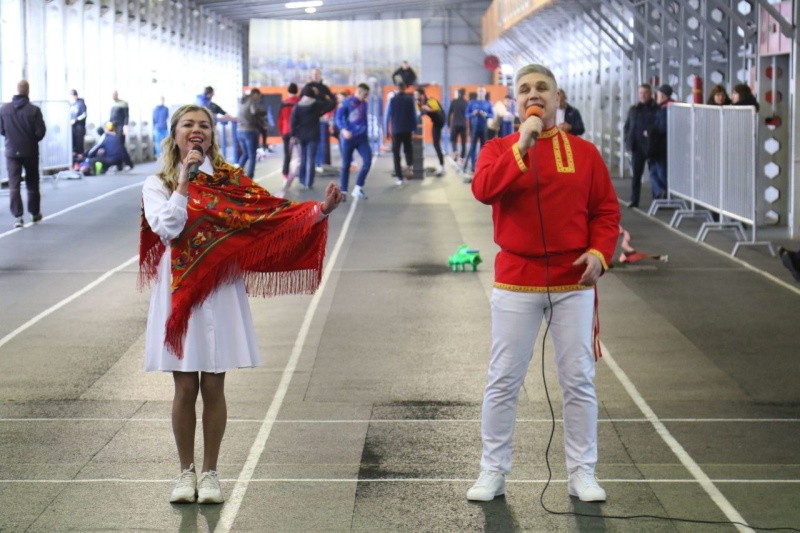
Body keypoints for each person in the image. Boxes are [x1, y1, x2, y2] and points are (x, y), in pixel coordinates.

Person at [139, 104, 342, 505]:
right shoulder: (156, 183)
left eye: (204, 125)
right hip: (178, 292)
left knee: (214, 383)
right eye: (188, 125)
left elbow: (270, 217)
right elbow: (167, 229)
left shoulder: (230, 181)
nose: (197, 131)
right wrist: (184, 182)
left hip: (220, 290)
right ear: (174, 134)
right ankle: (185, 473)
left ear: (213, 135)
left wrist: (319, 211)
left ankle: (211, 474)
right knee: (184, 386)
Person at [467, 63, 620, 504]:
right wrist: (524, 143)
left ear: (559, 98)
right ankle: (492, 470)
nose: (533, 95)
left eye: (542, 89)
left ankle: (582, 473)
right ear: (515, 103)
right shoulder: (498, 148)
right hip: (517, 282)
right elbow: (483, 190)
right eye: (524, 90)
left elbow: (606, 212)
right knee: (503, 380)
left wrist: (598, 253)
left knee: (578, 380)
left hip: (574, 283)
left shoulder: (586, 154)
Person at [0, 80, 46, 228]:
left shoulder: (4, 109)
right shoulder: (34, 111)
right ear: (28, 91)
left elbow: (1, 130)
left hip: (11, 151)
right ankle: (34, 214)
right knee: (32, 183)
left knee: (14, 184)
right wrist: (31, 139)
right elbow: (40, 132)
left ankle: (18, 217)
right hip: (30, 151)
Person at [291, 84, 335, 189]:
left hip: (301, 136)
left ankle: (302, 180)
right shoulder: (317, 104)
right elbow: (331, 104)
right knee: (311, 159)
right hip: (313, 135)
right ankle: (308, 182)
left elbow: (293, 123)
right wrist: (321, 94)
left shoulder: (297, 106)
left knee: (302, 158)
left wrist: (294, 135)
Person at [623, 83, 659, 208]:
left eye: (645, 93)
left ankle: (657, 199)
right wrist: (627, 139)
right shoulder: (634, 109)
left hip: (652, 147)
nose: (643, 96)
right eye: (640, 93)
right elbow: (627, 126)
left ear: (650, 94)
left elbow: (659, 126)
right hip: (637, 146)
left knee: (655, 174)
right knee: (636, 175)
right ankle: (634, 200)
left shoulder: (657, 109)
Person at [336, 83, 373, 199]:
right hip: (348, 138)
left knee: (367, 160)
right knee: (346, 164)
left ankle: (358, 188)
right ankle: (343, 191)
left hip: (362, 138)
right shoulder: (346, 102)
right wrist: (343, 130)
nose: (366, 97)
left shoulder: (364, 104)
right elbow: (338, 118)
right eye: (365, 94)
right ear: (359, 92)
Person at [384, 81, 418, 184]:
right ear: (405, 88)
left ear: (397, 89)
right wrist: (415, 130)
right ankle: (409, 165)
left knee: (396, 153)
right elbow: (414, 116)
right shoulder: (410, 100)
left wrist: (386, 131)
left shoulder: (392, 100)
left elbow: (387, 117)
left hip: (396, 130)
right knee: (408, 150)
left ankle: (399, 177)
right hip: (407, 129)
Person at [647, 84, 675, 200]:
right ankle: (662, 194)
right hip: (660, 147)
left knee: (659, 173)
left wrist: (650, 132)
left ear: (663, 96)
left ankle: (663, 194)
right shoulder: (668, 107)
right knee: (655, 172)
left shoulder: (664, 110)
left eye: (658, 95)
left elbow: (661, 128)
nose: (656, 97)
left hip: (661, 147)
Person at [236, 88, 267, 179]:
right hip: (249, 130)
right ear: (255, 94)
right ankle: (250, 178)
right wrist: (262, 113)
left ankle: (236, 175)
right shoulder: (252, 100)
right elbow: (254, 112)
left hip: (240, 131)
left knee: (245, 154)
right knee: (252, 155)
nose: (258, 99)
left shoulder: (242, 100)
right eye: (259, 96)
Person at [415, 86, 446, 176]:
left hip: (440, 120)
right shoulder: (419, 103)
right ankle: (441, 165)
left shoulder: (431, 100)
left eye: (416, 95)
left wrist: (429, 109)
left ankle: (442, 166)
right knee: (435, 144)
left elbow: (439, 111)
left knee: (436, 144)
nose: (415, 96)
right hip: (435, 122)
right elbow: (419, 114)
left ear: (421, 95)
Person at [463, 86, 494, 174]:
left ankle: (482, 165)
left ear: (485, 92)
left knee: (483, 148)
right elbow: (466, 114)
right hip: (474, 129)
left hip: (484, 129)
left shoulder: (488, 103)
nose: (481, 93)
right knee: (472, 147)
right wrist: (473, 113)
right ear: (477, 92)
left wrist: (486, 114)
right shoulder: (472, 103)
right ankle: (473, 166)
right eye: (479, 91)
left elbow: (492, 115)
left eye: (482, 91)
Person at [278, 83, 301, 179]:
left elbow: (279, 120)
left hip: (286, 131)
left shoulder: (284, 103)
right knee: (301, 155)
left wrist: (281, 132)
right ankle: (301, 173)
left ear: (288, 92)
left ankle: (286, 173)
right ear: (297, 91)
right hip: (299, 132)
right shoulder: (300, 102)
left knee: (287, 154)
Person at [109, 90, 135, 170]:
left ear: (117, 95)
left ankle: (129, 163)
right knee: (115, 146)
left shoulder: (123, 103)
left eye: (114, 94)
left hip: (121, 126)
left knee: (120, 145)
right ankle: (119, 165)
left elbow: (126, 116)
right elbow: (111, 118)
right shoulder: (113, 104)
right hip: (114, 127)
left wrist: (125, 126)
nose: (112, 96)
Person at [447, 88, 468, 162]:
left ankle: (455, 151)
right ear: (464, 94)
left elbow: (449, 113)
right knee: (463, 142)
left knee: (453, 140)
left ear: (458, 93)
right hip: (463, 124)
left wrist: (448, 125)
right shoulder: (466, 103)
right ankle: (462, 158)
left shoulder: (454, 102)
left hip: (455, 124)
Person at [70, 89, 87, 157]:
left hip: (79, 127)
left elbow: (84, 115)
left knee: (79, 143)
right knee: (73, 143)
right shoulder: (72, 104)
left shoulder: (81, 103)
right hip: (73, 128)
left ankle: (80, 156)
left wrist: (76, 120)